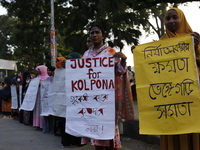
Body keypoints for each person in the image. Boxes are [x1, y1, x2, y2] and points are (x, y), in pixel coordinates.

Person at [81, 24, 135, 150]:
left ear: (102, 35)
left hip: (107, 98)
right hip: (91, 98)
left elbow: (120, 72)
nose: (94, 35)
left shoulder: (110, 52)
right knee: (95, 130)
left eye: (97, 32)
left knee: (108, 129)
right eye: (92, 33)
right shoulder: (86, 54)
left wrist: (123, 61)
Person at [158, 8, 200, 150]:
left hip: (191, 97)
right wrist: (139, 55)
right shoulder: (160, 43)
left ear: (182, 19)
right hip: (170, 100)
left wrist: (193, 50)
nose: (171, 21)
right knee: (172, 133)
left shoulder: (193, 38)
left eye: (175, 17)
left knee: (192, 132)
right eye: (167, 19)